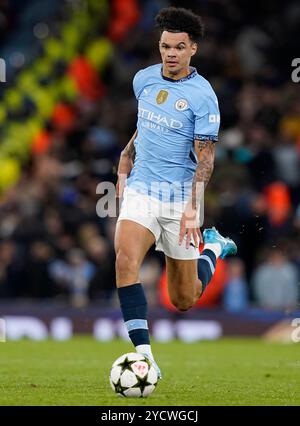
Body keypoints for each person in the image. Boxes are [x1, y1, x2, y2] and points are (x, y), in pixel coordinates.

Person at [114, 7, 237, 378]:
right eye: (166, 46)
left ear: (192, 50)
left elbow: (206, 159)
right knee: (124, 260)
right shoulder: (144, 80)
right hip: (142, 189)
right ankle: (145, 357)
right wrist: (124, 160)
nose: (171, 53)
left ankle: (213, 247)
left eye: (179, 47)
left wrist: (192, 209)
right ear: (159, 46)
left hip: (180, 197)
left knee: (183, 299)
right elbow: (144, 126)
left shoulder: (203, 97)